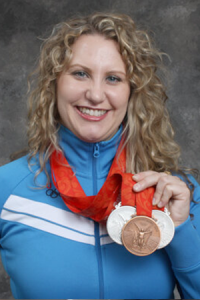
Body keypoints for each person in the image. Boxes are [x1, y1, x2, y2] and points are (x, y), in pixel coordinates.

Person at [0, 12, 200, 299]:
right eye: (80, 73)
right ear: (54, 83)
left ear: (133, 92)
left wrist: (180, 231)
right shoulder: (6, 188)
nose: (95, 94)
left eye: (113, 78)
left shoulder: (177, 194)